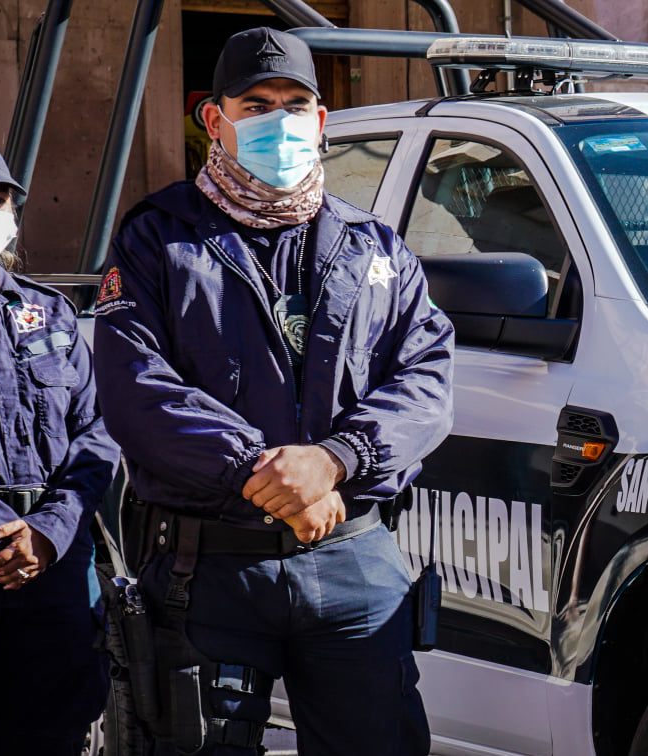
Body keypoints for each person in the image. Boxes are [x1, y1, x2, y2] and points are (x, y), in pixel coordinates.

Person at [93, 27, 454, 755]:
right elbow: (136, 387)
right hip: (211, 570)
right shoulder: (157, 240)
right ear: (214, 119)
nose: (278, 120)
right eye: (256, 104)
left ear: (320, 121)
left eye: (295, 104)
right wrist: (265, 471)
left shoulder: (374, 247)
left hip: (352, 562)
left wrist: (337, 459)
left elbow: (428, 376)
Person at [0, 132, 119, 754]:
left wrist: (47, 530)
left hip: (53, 569)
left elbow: (95, 436)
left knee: (52, 737)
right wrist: (4, 532)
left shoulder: (50, 314)